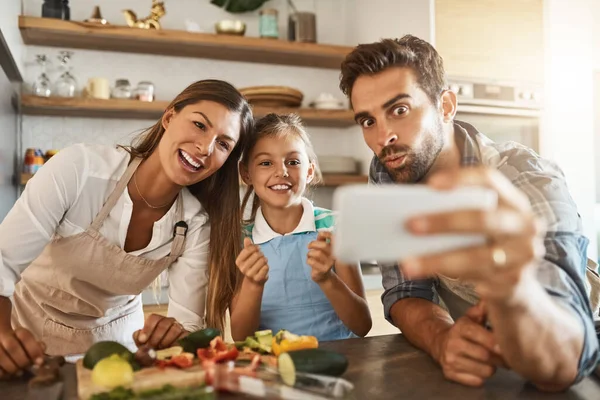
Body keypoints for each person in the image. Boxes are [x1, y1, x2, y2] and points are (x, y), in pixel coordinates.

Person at [338, 35, 600, 390]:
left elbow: (564, 365)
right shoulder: (390, 169)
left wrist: (511, 286)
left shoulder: (527, 178)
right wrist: (442, 339)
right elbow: (405, 290)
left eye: (399, 110)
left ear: (445, 106)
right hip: (489, 363)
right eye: (368, 121)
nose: (383, 137)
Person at [0, 80, 253, 377]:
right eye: (199, 125)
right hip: (26, 327)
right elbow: (3, 261)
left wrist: (173, 332)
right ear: (169, 117)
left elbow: (188, 323)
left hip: (117, 345)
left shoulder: (196, 224)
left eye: (223, 144)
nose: (205, 147)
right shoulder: (80, 169)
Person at [229, 113, 371, 341]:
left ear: (309, 171)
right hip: (272, 365)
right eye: (266, 163)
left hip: (341, 360)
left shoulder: (334, 228)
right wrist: (253, 285)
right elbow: (240, 336)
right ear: (246, 173)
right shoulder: (241, 241)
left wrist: (327, 279)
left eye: (293, 162)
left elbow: (362, 325)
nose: (281, 171)